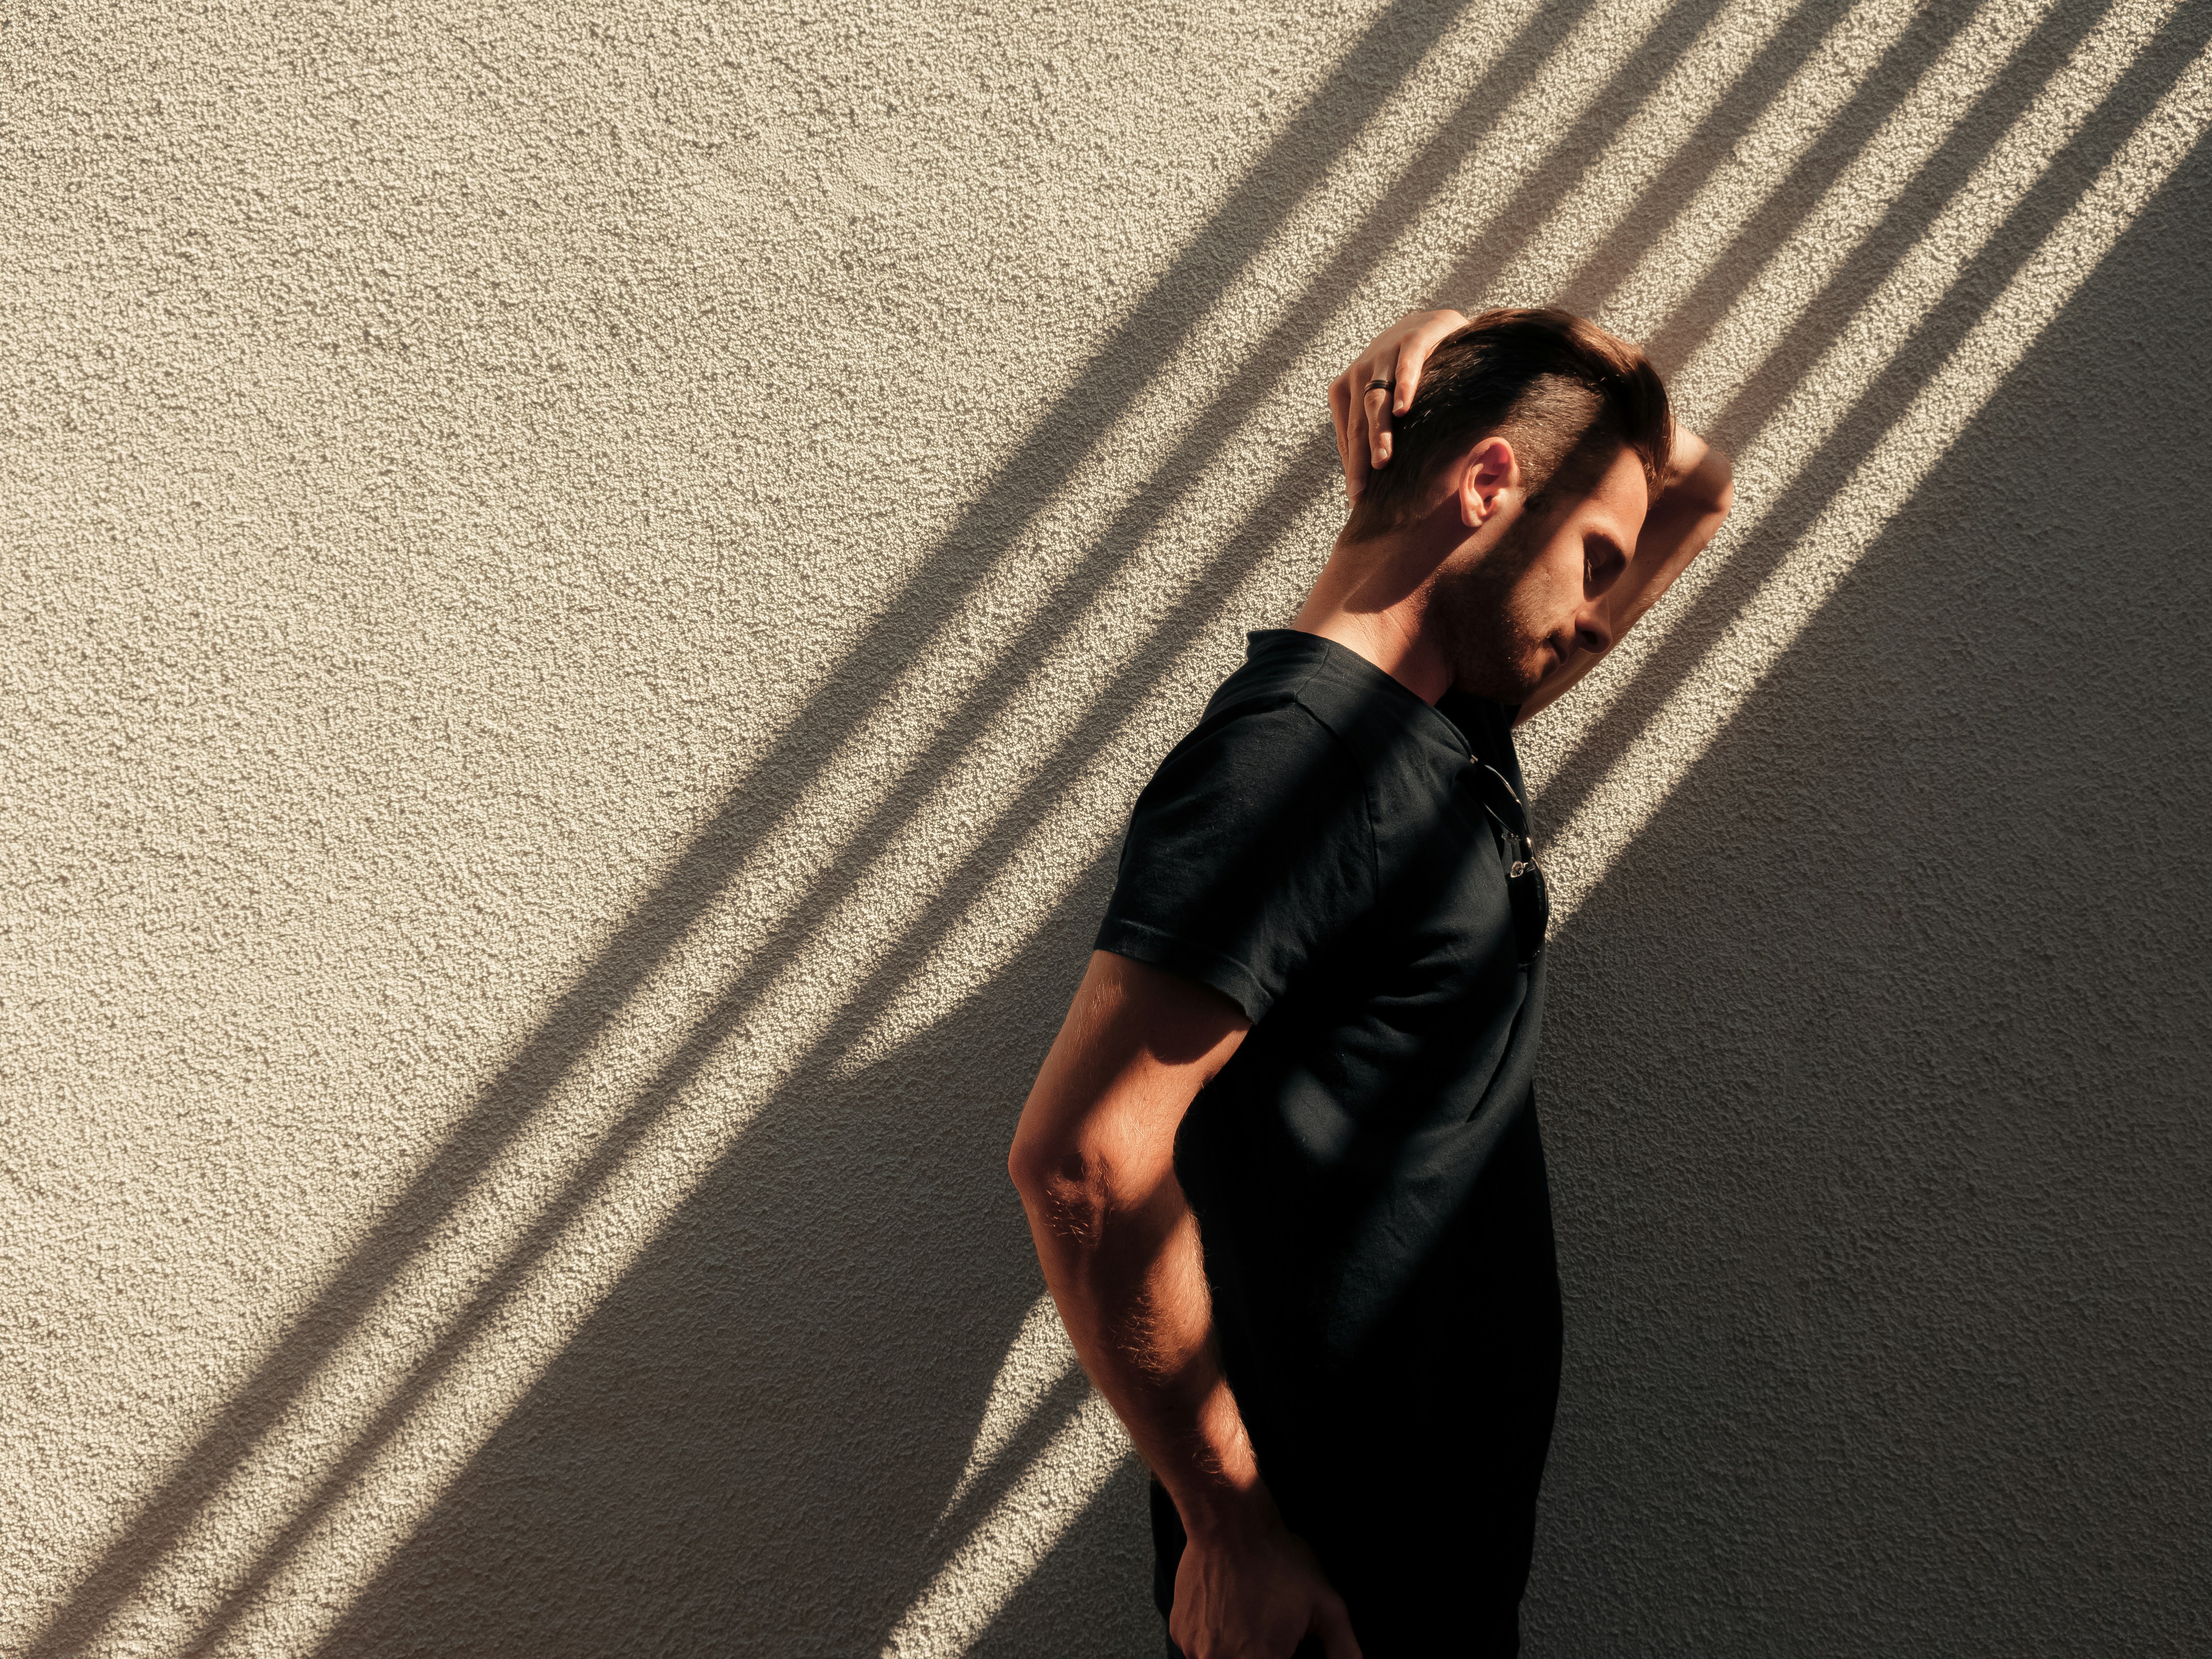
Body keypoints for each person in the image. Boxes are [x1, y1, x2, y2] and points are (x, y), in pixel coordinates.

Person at [1007, 306, 1734, 1658]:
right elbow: (1083, 1162)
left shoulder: (1448, 719)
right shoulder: (1292, 763)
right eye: (1594, 559)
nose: (1601, 616)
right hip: (1329, 1605)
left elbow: (1696, 483)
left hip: (1435, 1579)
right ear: (1490, 484)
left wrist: (1478, 335)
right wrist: (1229, 1529)